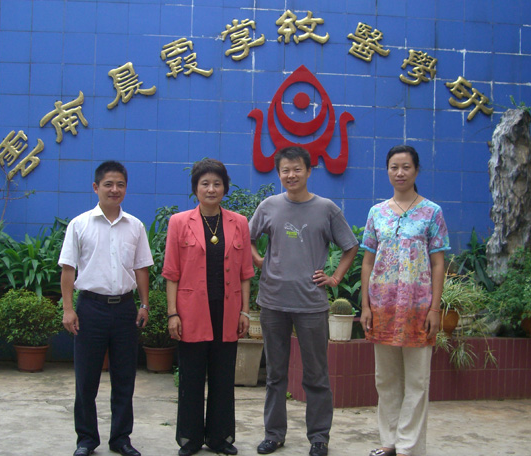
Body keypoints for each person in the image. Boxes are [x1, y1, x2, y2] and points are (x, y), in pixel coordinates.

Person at [249, 146, 359, 456]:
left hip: (311, 304)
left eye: (297, 169)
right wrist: (258, 260)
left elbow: (350, 246)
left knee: (316, 375)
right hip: (273, 301)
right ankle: (274, 434)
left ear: (309, 171)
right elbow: (247, 238)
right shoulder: (269, 206)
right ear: (278, 173)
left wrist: (334, 278)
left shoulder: (326, 209)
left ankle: (319, 437)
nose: (291, 175)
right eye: (285, 170)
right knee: (275, 374)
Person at [360, 145, 450, 456]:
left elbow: (438, 263)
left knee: (417, 380)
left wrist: (435, 308)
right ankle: (389, 442)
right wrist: (365, 306)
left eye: (406, 167)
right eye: (394, 167)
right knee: (385, 378)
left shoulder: (432, 212)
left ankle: (408, 447)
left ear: (416, 170)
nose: (400, 173)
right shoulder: (377, 212)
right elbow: (367, 262)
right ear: (387, 171)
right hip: (382, 308)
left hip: (418, 309)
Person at [59, 160, 153, 456]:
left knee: (125, 378)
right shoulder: (80, 224)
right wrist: (68, 309)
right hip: (90, 309)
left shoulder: (135, 226)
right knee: (86, 380)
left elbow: (141, 269)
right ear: (95, 187)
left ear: (126, 188)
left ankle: (121, 439)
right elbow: (68, 269)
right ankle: (86, 440)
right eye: (108, 184)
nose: (115, 190)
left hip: (125, 310)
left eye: (120, 185)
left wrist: (144, 304)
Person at [162, 159, 255, 456]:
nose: (211, 189)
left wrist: (245, 311)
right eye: (205, 184)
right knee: (190, 378)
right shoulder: (179, 222)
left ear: (225, 188)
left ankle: (220, 438)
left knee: (223, 378)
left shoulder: (239, 223)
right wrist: (173, 313)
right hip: (190, 312)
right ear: (195, 188)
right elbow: (171, 273)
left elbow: (245, 273)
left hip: (227, 312)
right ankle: (189, 439)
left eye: (217, 184)